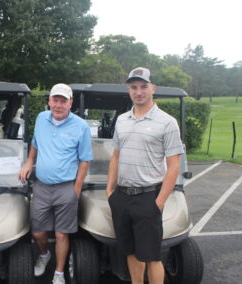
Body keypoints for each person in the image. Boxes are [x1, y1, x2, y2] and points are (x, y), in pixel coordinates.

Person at [106, 67, 184, 284]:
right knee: (130, 252)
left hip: (149, 197)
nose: (138, 91)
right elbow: (115, 157)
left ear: (153, 88)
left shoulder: (167, 122)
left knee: (151, 257)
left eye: (143, 86)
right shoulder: (122, 120)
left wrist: (158, 202)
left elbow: (174, 165)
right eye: (133, 87)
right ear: (128, 90)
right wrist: (109, 190)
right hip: (121, 197)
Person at [19, 83, 92, 284]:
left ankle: (59, 273)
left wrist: (76, 189)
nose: (58, 105)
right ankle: (44, 255)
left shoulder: (81, 127)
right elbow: (35, 143)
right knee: (37, 231)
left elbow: (85, 160)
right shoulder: (42, 118)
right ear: (49, 101)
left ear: (71, 103)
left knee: (61, 234)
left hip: (67, 188)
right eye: (55, 100)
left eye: (63, 101)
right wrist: (28, 162)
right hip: (42, 186)